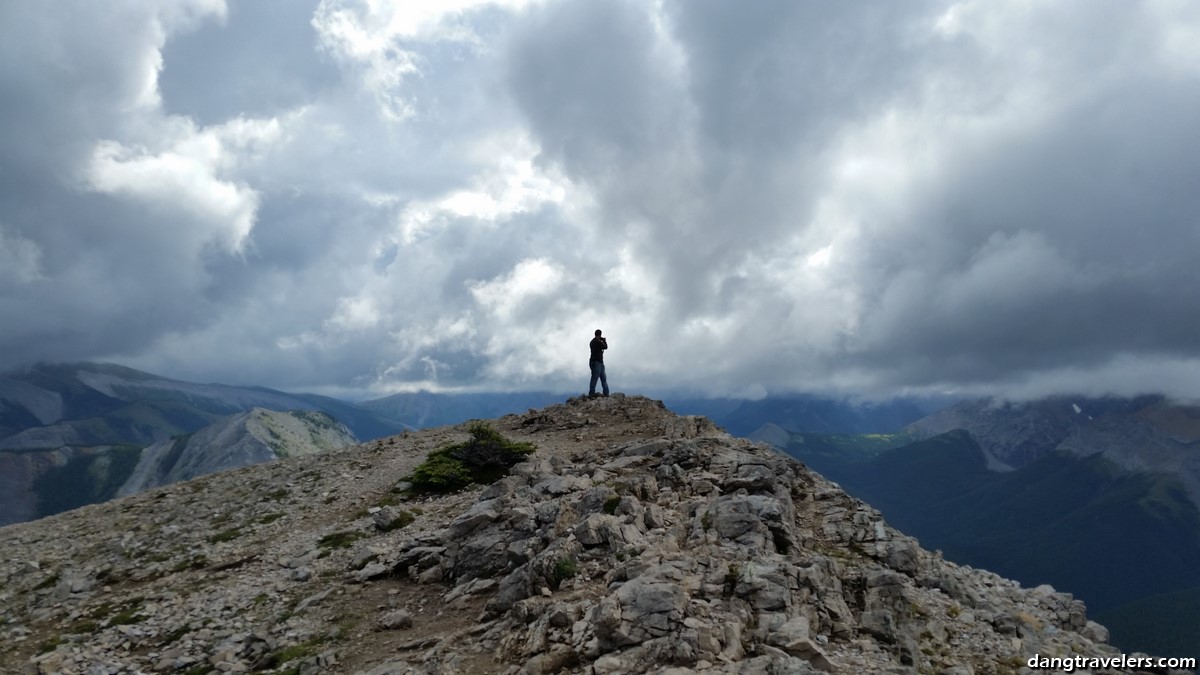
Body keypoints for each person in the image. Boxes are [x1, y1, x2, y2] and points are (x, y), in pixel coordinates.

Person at [588, 329, 609, 397]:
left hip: (594, 362)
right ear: (600, 334)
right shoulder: (598, 342)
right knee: (601, 379)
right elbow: (605, 347)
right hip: (598, 363)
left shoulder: (592, 342)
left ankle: (592, 393)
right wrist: (604, 341)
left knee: (595, 378)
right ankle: (605, 393)